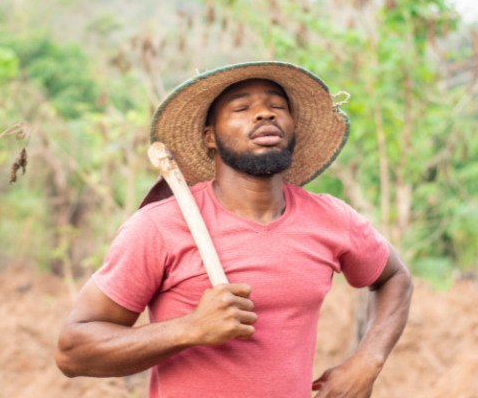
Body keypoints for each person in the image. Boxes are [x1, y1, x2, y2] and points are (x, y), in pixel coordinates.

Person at [55, 62, 413, 398]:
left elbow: (395, 276)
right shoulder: (160, 226)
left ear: (293, 128)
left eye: (277, 106)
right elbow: (73, 351)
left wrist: (369, 359)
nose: (265, 113)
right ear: (210, 137)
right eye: (242, 108)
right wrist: (189, 329)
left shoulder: (331, 218)